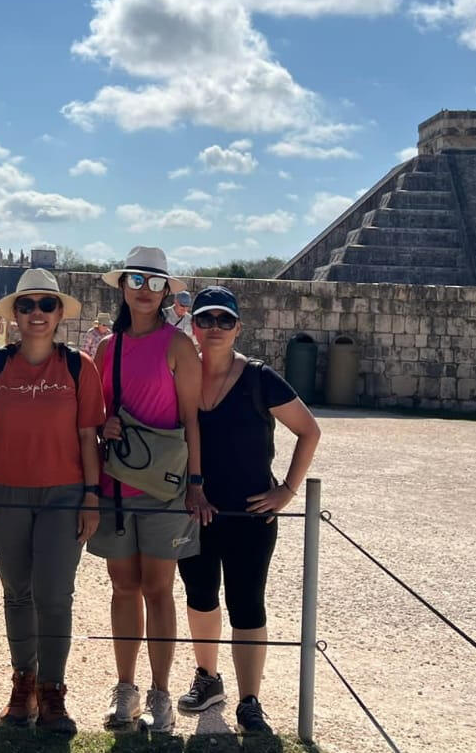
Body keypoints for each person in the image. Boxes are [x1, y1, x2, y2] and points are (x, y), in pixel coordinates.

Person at [0, 269, 106, 736]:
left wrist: (91, 495)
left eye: (47, 305)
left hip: (64, 492)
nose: (37, 314)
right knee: (16, 589)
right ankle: (22, 682)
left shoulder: (78, 366)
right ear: (15, 315)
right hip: (5, 490)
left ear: (60, 312)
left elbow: (89, 436)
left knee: (54, 593)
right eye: (27, 306)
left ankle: (52, 689)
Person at [175, 286, 320, 734]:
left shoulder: (259, 378)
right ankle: (208, 677)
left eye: (223, 320)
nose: (213, 328)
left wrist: (288, 491)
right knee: (200, 596)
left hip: (249, 513)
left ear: (238, 327)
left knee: (247, 604)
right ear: (193, 327)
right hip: (194, 508)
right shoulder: (183, 374)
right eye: (205, 320)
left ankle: (249, 699)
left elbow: (309, 431)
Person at [87, 246, 210, 733]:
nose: (144, 290)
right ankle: (126, 688)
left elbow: (191, 421)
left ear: (165, 292)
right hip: (119, 483)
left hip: (164, 486)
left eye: (154, 283)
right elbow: (97, 417)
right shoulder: (106, 349)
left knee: (158, 590)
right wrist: (105, 425)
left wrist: (196, 482)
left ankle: (159, 692)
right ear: (123, 286)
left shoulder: (178, 346)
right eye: (136, 280)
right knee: (123, 588)